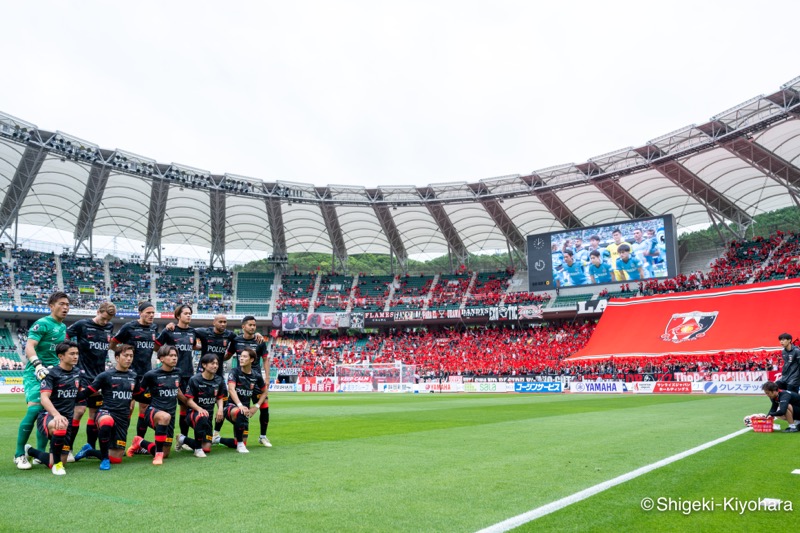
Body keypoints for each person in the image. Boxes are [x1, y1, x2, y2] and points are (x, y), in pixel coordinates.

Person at [14, 291, 70, 470]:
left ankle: (40, 453)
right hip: (35, 373)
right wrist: (38, 365)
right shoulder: (42, 324)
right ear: (51, 306)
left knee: (46, 413)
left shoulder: (63, 327)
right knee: (35, 409)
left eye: (67, 305)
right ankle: (19, 454)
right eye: (61, 304)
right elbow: (29, 346)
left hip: (53, 374)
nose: (65, 307)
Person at [73, 343, 138, 470]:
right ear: (117, 358)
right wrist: (67, 397)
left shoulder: (134, 376)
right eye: (125, 356)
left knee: (117, 459)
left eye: (131, 356)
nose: (129, 358)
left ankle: (89, 451)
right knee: (106, 421)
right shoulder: (105, 375)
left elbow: (139, 394)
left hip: (122, 418)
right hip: (106, 412)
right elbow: (88, 392)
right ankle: (104, 459)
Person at [23, 341, 81, 476]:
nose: (75, 356)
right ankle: (57, 466)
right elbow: (44, 398)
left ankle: (30, 451)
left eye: (77, 353)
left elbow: (80, 394)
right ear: (61, 356)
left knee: (56, 459)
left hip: (67, 418)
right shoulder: (51, 373)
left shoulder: (78, 372)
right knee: (60, 424)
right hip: (48, 417)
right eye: (72, 354)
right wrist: (56, 415)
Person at [65, 301, 116, 454]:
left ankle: (90, 447)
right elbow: (66, 335)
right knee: (79, 411)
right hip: (81, 374)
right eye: (104, 318)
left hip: (99, 376)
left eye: (108, 320)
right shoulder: (82, 324)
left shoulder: (109, 327)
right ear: (98, 311)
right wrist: (72, 352)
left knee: (94, 413)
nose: (105, 322)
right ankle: (68, 448)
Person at [126, 345, 185, 465]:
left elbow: (178, 392)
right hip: (153, 412)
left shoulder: (178, 373)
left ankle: (140, 442)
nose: (174, 358)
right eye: (171, 355)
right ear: (161, 358)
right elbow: (138, 392)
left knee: (166, 453)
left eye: (175, 356)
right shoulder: (151, 375)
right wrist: (130, 402)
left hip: (171, 415)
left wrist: (192, 404)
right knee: (164, 417)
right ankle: (158, 456)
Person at [110, 301, 158, 439]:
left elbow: (156, 347)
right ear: (140, 313)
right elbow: (113, 343)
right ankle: (120, 441)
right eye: (148, 313)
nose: (151, 315)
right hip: (129, 373)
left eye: (153, 313)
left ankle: (139, 441)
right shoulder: (129, 327)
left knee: (144, 408)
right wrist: (122, 356)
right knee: (128, 409)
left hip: (146, 374)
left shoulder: (153, 328)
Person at [155, 303, 197, 449]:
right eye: (186, 313)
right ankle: (161, 439)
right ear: (178, 316)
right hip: (171, 375)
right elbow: (156, 346)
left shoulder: (193, 332)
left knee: (185, 407)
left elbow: (196, 345)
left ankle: (182, 439)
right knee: (168, 406)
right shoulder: (170, 330)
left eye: (190, 313)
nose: (189, 316)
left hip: (188, 374)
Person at [227, 316, 272, 447]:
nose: (253, 327)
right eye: (250, 325)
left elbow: (265, 360)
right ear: (243, 327)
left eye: (254, 325)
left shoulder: (260, 341)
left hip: (256, 379)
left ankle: (263, 436)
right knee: (240, 407)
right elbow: (227, 356)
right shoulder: (236, 340)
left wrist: (267, 378)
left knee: (264, 407)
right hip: (241, 379)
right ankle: (237, 436)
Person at [218, 348, 268, 453]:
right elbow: (231, 389)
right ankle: (240, 446)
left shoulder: (256, 376)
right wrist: (240, 405)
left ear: (252, 360)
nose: (241, 358)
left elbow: (264, 392)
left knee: (241, 440)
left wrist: (257, 406)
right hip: (231, 407)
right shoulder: (234, 371)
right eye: (241, 356)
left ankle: (218, 439)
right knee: (240, 412)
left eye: (245, 357)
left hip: (245, 411)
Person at [177, 354, 226, 458]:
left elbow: (219, 397)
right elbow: (189, 401)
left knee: (207, 448)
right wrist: (200, 409)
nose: (215, 366)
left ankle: (182, 439)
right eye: (212, 363)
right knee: (202, 416)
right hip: (194, 414)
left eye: (217, 363)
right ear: (204, 365)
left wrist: (220, 409)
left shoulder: (219, 380)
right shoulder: (195, 379)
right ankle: (197, 450)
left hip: (209, 417)